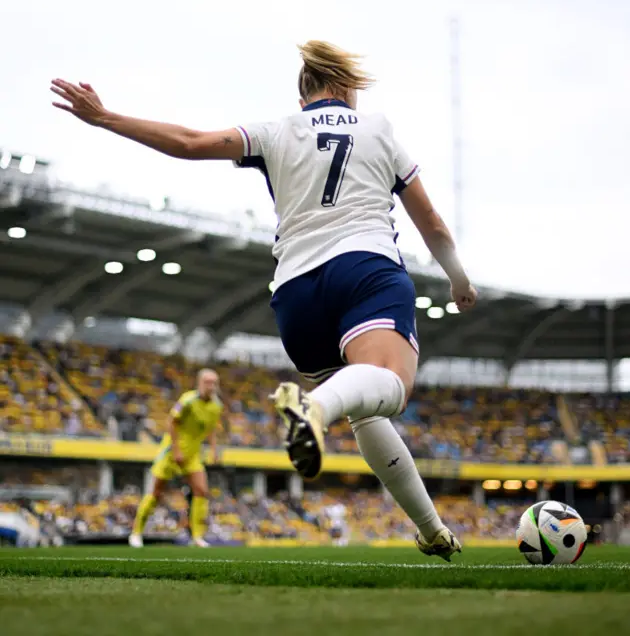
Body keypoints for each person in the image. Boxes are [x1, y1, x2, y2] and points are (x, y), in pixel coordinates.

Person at [51, 40, 477, 561]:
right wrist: (458, 280)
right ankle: (313, 409)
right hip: (365, 270)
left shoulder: (277, 131)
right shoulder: (379, 130)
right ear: (344, 89)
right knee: (390, 388)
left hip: (296, 297)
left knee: (364, 412)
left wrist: (106, 118)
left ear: (304, 99)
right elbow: (429, 223)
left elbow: (189, 142)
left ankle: (431, 530)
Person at [127, 368, 222, 548]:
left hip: (193, 455)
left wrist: (214, 450)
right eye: (207, 382)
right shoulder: (187, 400)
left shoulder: (216, 405)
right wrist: (177, 450)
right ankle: (136, 532)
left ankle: (197, 537)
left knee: (201, 491)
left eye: (214, 383)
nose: (211, 386)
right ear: (199, 383)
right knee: (155, 492)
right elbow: (171, 422)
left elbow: (211, 429)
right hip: (172, 452)